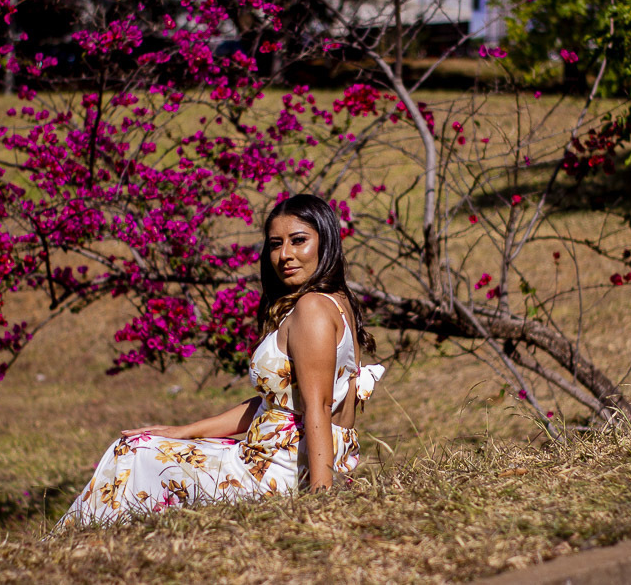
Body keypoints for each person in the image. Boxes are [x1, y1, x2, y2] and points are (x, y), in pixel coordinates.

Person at [52, 194, 384, 530]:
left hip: (275, 470)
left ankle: (74, 548)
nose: (285, 255)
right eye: (275, 244)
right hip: (272, 457)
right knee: (147, 446)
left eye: (299, 241)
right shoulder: (335, 301)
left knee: (132, 452)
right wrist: (183, 432)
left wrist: (321, 504)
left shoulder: (312, 307)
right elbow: (279, 405)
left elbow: (319, 407)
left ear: (325, 241)